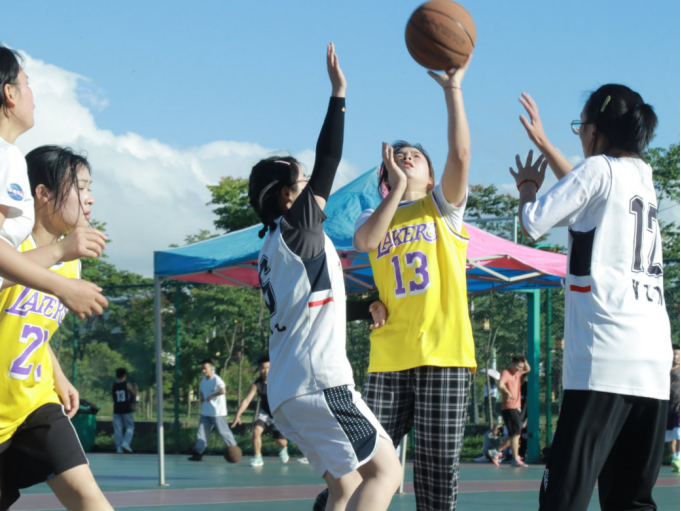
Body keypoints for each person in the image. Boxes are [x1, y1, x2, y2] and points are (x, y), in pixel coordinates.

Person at [248, 44, 402, 511]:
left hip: (289, 390)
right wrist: (339, 94)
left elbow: (316, 305)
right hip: (319, 381)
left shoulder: (272, 248)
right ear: (286, 197)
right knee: (387, 471)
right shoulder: (297, 227)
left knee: (346, 487)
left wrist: (363, 308)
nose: (311, 187)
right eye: (301, 182)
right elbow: (329, 157)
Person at [512, 85, 672, 511]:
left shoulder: (599, 169)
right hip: (652, 362)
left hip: (604, 358)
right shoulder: (642, 177)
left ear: (595, 130)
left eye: (579, 127)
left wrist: (527, 187)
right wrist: (545, 144)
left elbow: (533, 222)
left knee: (562, 498)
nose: (579, 136)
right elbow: (587, 189)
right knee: (631, 501)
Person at [353, 56, 477, 511]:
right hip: (389, 355)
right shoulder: (372, 216)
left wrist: (452, 91)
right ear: (385, 175)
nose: (408, 157)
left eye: (417, 156)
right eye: (399, 156)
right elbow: (366, 241)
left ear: (431, 175)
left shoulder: (443, 208)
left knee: (435, 469)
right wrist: (396, 188)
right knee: (363, 462)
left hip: (444, 352)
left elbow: (460, 156)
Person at [0, 144, 112, 510]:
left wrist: (57, 374)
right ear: (43, 193)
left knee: (86, 494)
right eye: (80, 187)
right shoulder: (12, 249)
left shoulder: (71, 262)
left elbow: (28, 325)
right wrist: (61, 252)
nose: (90, 198)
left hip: (36, 401)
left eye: (90, 188)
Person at [231, 355, 290, 467]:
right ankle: (257, 457)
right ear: (259, 369)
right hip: (265, 413)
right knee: (256, 430)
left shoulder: (279, 381)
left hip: (278, 413)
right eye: (263, 368)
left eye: (268, 367)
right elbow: (247, 400)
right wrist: (238, 415)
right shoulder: (256, 384)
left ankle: (283, 448)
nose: (266, 370)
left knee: (281, 441)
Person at [188, 359, 238, 461]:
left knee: (223, 432)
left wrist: (213, 395)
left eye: (205, 368)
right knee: (201, 432)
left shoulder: (216, 379)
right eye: (202, 369)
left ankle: (235, 450)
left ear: (211, 368)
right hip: (206, 412)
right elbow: (204, 392)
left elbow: (223, 390)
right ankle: (199, 453)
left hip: (217, 412)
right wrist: (203, 397)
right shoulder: (203, 380)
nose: (203, 371)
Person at [497, 356, 530, 468]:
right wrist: (507, 392)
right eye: (518, 366)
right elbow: (500, 384)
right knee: (516, 434)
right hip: (509, 407)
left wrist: (525, 362)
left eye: (521, 367)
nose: (519, 369)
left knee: (515, 434)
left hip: (515, 408)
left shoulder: (518, 374)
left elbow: (528, 369)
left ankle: (503, 454)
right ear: (512, 363)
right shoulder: (506, 373)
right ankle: (513, 458)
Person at [112, 368, 137, 454]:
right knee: (130, 427)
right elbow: (134, 395)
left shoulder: (114, 385)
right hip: (126, 409)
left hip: (117, 409)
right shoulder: (127, 385)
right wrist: (136, 389)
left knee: (117, 429)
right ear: (125, 376)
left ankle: (119, 447)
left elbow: (114, 396)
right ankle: (126, 443)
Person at [667, 345, 680, 474]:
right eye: (675, 354)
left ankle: (679, 459)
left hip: (679, 409)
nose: (677, 357)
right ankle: (674, 460)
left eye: (679, 355)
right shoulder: (665, 370)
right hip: (668, 409)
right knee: (671, 437)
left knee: (679, 434)